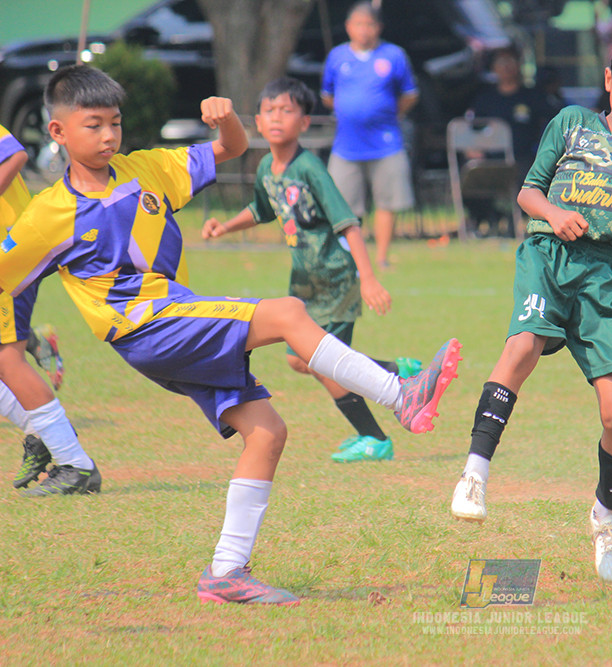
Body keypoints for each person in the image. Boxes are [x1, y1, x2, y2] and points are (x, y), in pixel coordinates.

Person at [0, 64, 462, 605]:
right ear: (57, 133)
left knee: (266, 431)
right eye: (93, 125)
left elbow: (232, 149)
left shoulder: (147, 169)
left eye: (115, 124)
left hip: (175, 317)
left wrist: (225, 123)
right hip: (146, 327)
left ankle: (227, 573)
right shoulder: (46, 214)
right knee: (289, 312)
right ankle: (401, 397)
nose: (108, 137)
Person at [448, 24, 612, 582]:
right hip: (549, 254)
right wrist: (552, 214)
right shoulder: (571, 124)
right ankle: (474, 472)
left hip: (607, 279)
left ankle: (606, 514)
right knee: (521, 347)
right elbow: (528, 190)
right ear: (609, 79)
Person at [203, 77, 423, 463]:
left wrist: (368, 278)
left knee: (322, 363)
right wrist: (224, 226)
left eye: (287, 111)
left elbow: (348, 223)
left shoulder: (311, 169)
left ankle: (374, 437)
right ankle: (393, 371)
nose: (277, 118)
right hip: (304, 282)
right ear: (256, 120)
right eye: (270, 110)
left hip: (335, 278)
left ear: (305, 122)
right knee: (299, 359)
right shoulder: (268, 167)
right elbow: (261, 209)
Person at [0, 123, 98, 496]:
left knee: (7, 360)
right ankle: (46, 433)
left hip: (10, 254)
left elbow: (15, 153)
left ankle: (75, 464)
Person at [320, 1, 418, 271]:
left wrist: (388, 113)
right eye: (359, 24)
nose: (364, 30)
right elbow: (327, 95)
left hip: (386, 143)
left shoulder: (394, 55)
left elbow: (410, 93)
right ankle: (349, 258)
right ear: (349, 27)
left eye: (370, 24)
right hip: (346, 145)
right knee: (344, 205)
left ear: (379, 27)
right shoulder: (337, 57)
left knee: (388, 202)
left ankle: (382, 258)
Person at [465, 46, 556, 237]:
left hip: (523, 158)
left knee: (530, 177)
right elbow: (471, 130)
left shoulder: (532, 96)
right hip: (490, 159)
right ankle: (488, 219)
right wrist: (472, 149)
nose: (506, 67)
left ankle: (518, 220)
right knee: (468, 175)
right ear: (494, 68)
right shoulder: (485, 99)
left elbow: (552, 123)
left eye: (511, 62)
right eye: (501, 63)